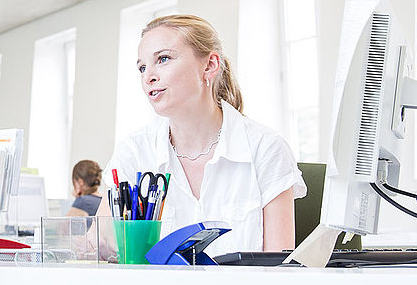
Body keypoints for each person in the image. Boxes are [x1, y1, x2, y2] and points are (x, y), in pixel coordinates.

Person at [101, 14, 306, 254]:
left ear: (209, 65)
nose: (148, 77)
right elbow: (101, 246)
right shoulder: (134, 151)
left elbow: (279, 268)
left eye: (163, 59)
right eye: (142, 67)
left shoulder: (266, 148)